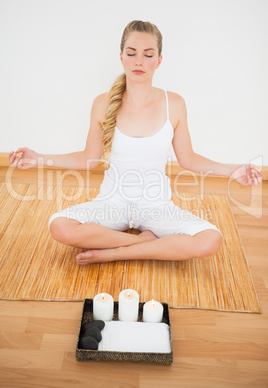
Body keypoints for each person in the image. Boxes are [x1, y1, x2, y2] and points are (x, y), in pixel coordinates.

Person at [9, 20, 262, 266]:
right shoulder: (102, 103)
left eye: (148, 54)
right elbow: (89, 158)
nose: (139, 61)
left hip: (156, 205)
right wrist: (39, 158)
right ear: (121, 57)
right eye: (131, 53)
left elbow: (189, 160)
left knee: (210, 239)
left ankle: (115, 253)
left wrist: (234, 171)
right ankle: (141, 243)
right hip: (112, 202)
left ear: (159, 60)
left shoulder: (173, 104)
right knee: (59, 225)